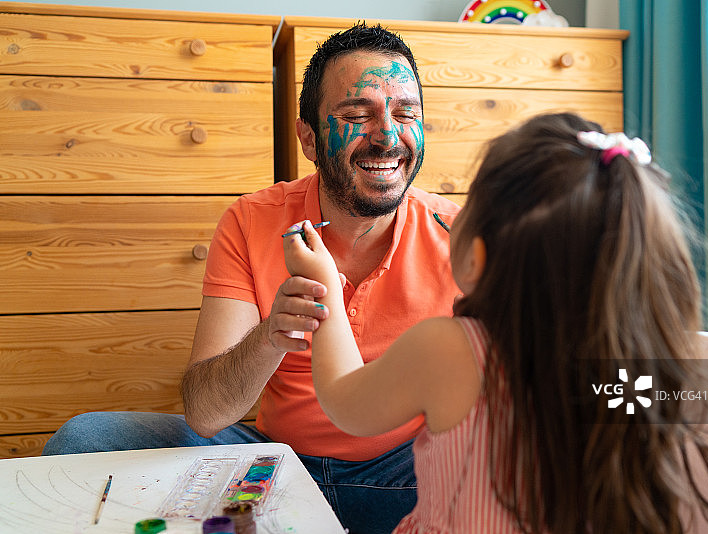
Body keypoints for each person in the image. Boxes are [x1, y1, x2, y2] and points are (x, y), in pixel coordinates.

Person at [42, 23, 461, 534]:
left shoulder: (458, 235)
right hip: (276, 466)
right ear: (309, 138)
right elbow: (205, 414)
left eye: (406, 114)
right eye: (356, 115)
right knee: (86, 441)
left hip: (406, 471)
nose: (388, 136)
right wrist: (271, 335)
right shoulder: (252, 221)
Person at [283, 112, 708, 533]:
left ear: (479, 260)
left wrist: (323, 282)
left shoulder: (452, 350)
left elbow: (345, 400)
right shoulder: (641, 367)